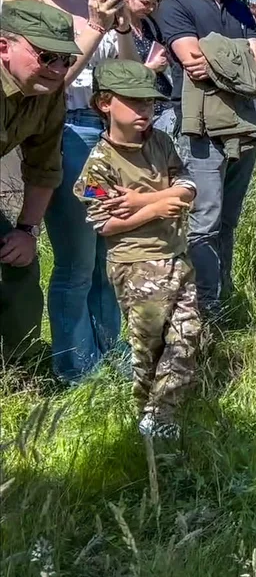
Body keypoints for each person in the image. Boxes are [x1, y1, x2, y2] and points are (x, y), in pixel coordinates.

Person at [7, 0, 139, 382]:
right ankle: (76, 371)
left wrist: (121, 29)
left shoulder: (88, 3)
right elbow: (52, 84)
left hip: (107, 135)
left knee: (107, 255)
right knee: (77, 261)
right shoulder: (18, 9)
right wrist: (94, 30)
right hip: (63, 134)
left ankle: (111, 355)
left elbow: (129, 74)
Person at [73, 60, 199, 439]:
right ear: (105, 103)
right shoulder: (99, 165)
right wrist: (158, 208)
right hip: (137, 264)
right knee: (148, 348)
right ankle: (145, 420)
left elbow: (187, 187)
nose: (145, 111)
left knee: (187, 335)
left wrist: (149, 200)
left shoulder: (160, 142)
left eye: (151, 104)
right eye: (136, 102)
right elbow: (104, 223)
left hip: (177, 255)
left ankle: (162, 414)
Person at [154, 0, 256, 319]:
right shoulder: (175, 2)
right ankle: (203, 310)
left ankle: (221, 303)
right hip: (199, 131)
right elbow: (191, 61)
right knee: (203, 223)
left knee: (227, 223)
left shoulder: (238, 7)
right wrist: (240, 57)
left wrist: (220, 54)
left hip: (243, 127)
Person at [0, 0, 80, 362]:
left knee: (18, 260)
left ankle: (19, 369)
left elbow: (44, 166)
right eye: (47, 56)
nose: (58, 69)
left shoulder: (48, 92)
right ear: (4, 47)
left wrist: (27, 231)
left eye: (66, 60)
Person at [120, 0, 171, 113]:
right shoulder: (115, 30)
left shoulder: (149, 23)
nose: (150, 9)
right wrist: (149, 68)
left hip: (164, 97)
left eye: (154, 4)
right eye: (145, 3)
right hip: (138, 103)